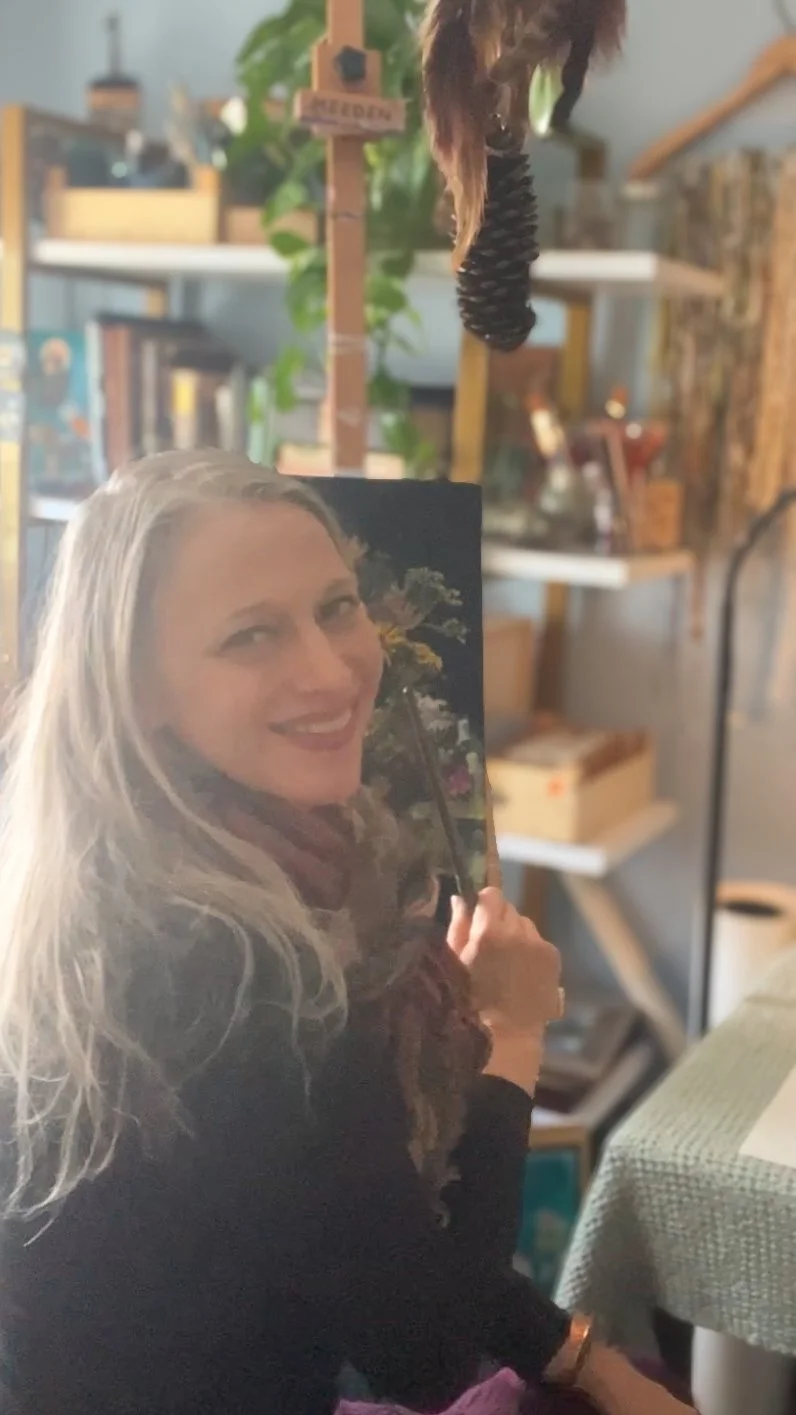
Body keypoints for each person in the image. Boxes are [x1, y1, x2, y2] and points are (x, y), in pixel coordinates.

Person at [0, 451, 694, 1415]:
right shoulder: (238, 967)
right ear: (137, 687)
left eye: (336, 606)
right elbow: (426, 1346)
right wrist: (515, 1033)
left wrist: (583, 1356)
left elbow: (358, 1223)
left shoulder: (122, 862)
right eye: (251, 635)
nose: (331, 671)